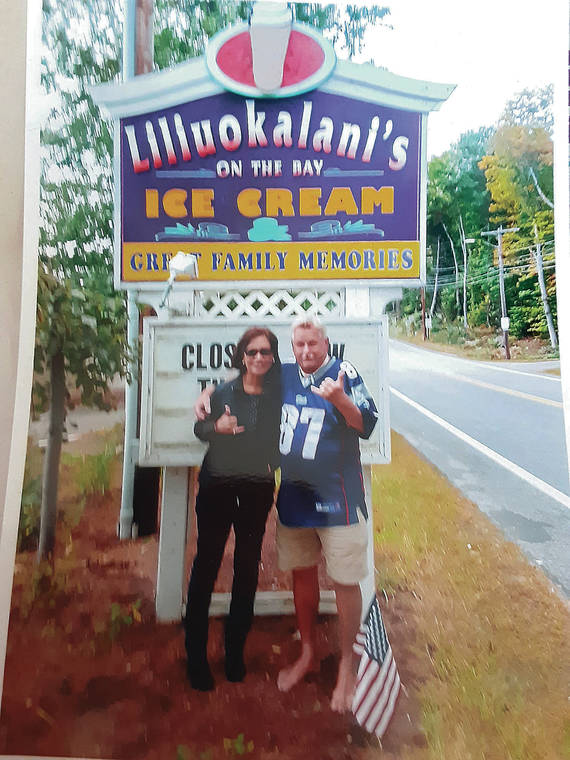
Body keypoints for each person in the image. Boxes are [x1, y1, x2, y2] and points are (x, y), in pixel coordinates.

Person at [195, 316, 378, 712]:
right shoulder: (286, 376)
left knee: (346, 580)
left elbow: (366, 426)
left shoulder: (344, 373)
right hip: (295, 496)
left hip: (338, 499)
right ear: (292, 349)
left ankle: (348, 666)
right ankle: (308, 652)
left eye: (314, 343)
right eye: (300, 345)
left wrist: (340, 400)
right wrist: (209, 391)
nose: (307, 351)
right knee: (302, 574)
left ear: (326, 343)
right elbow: (246, 377)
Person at [185, 327, 281, 691]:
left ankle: (234, 654)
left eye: (266, 352)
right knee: (207, 563)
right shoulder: (223, 392)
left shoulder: (278, 394)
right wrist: (216, 426)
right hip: (218, 486)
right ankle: (196, 659)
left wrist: (273, 464)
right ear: (242, 355)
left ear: (272, 358)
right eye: (253, 351)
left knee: (246, 568)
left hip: (256, 489)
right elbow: (199, 429)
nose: (259, 358)